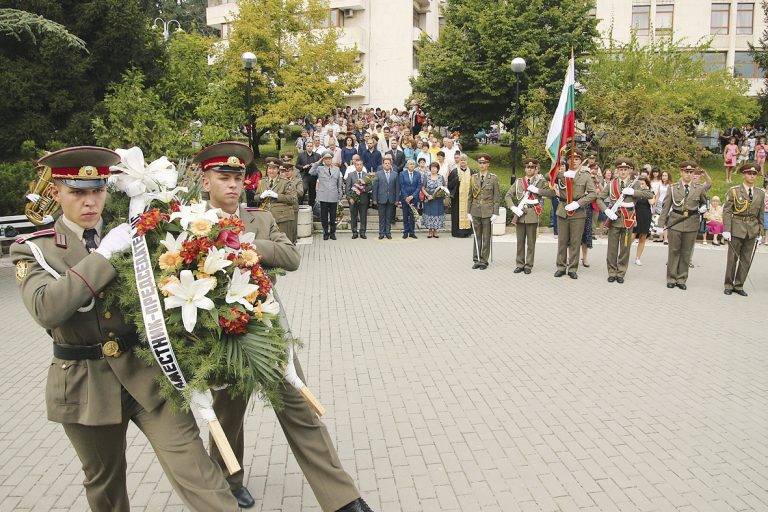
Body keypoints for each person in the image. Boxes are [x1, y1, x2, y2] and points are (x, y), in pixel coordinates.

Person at [10, 146, 240, 512]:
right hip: (85, 381)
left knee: (196, 469)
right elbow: (47, 308)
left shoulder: (135, 233)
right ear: (56, 193)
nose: (90, 202)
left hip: (147, 371)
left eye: (97, 191)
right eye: (77, 192)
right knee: (106, 485)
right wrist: (101, 257)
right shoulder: (35, 250)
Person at [197, 142, 374, 512]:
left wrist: (247, 246)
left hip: (266, 329)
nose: (232, 185)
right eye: (223, 178)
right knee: (227, 412)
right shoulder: (190, 223)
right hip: (222, 335)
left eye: (238, 177)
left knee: (300, 408)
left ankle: (342, 499)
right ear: (205, 181)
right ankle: (229, 481)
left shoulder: (259, 218)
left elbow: (291, 256)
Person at [597, 159, 654, 283]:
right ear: (617, 170)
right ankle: (612, 272)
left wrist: (634, 192)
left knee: (625, 247)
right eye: (620, 169)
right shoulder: (611, 184)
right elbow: (599, 199)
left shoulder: (635, 184)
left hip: (628, 219)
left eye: (625, 169)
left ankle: (621, 273)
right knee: (612, 248)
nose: (623, 172)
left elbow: (650, 194)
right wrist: (606, 211)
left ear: (629, 171)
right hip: (614, 219)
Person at [658, 161, 708, 290]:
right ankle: (671, 278)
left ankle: (681, 279)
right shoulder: (673, 187)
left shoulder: (699, 188)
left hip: (691, 223)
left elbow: (704, 202)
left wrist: (703, 208)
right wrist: (660, 224)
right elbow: (665, 207)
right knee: (673, 251)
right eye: (686, 172)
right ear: (681, 172)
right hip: (676, 222)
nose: (688, 174)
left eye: (691, 172)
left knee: (686, 252)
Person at [722, 162, 766, 296]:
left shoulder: (760, 193)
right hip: (736, 227)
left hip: (752, 229)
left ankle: (739, 285)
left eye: (754, 174)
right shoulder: (734, 191)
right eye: (749, 173)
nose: (752, 176)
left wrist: (761, 231)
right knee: (732, 258)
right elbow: (727, 211)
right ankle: (729, 284)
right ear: (744, 174)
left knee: (746, 259)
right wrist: (727, 229)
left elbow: (761, 214)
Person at [553, 149, 597, 279]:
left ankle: (572, 268)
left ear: (581, 161)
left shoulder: (585, 175)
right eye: (571, 159)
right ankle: (561, 267)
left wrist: (579, 203)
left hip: (578, 211)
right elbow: (548, 177)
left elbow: (593, 193)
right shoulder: (563, 174)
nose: (574, 161)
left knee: (575, 241)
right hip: (563, 210)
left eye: (577, 159)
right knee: (562, 241)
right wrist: (558, 168)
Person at [505, 157, 552, 274]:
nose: (530, 169)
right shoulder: (519, 182)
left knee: (531, 242)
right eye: (528, 167)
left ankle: (528, 265)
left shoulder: (541, 182)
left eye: (532, 167)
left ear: (536, 169)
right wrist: (513, 207)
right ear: (525, 168)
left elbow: (552, 193)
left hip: (532, 214)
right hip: (520, 214)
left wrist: (537, 191)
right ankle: (519, 264)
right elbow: (508, 196)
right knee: (520, 241)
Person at [467, 153, 500, 270]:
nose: (482, 165)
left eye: (484, 163)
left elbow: (496, 197)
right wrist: (468, 212)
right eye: (480, 163)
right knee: (477, 236)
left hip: (487, 211)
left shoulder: (493, 178)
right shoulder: (473, 177)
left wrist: (495, 213)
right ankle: (476, 259)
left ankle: (484, 260)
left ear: (488, 164)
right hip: (475, 210)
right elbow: (470, 196)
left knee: (486, 237)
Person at [255, 158, 298, 240]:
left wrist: (277, 196)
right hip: (266, 217)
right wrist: (261, 196)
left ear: (278, 170)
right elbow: (255, 197)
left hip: (282, 218)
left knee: (284, 242)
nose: (271, 171)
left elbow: (293, 199)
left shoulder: (285, 182)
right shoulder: (262, 182)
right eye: (269, 168)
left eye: (274, 168)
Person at [310, 152, 344, 240]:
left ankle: (332, 233)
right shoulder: (320, 169)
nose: (328, 160)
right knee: (324, 217)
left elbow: (339, 184)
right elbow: (311, 172)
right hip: (323, 196)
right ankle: (325, 232)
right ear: (323, 160)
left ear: (331, 159)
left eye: (329, 158)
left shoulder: (337, 169)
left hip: (333, 195)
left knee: (333, 216)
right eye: (326, 159)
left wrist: (340, 195)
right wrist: (319, 161)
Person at [372, 155, 399, 239]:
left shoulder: (395, 174)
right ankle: (381, 233)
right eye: (385, 163)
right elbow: (375, 187)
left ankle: (388, 233)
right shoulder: (378, 174)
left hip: (391, 199)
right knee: (381, 217)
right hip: (381, 199)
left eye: (388, 163)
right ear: (383, 165)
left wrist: (397, 199)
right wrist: (374, 199)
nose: (387, 164)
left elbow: (397, 188)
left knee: (389, 217)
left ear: (391, 164)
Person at [447, 154, 474, 238]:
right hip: (457, 198)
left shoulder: (471, 172)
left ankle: (467, 232)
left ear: (467, 162)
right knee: (457, 215)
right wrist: (456, 180)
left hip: (468, 198)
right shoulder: (455, 171)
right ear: (459, 161)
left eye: (464, 160)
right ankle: (457, 232)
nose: (463, 162)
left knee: (468, 214)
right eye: (461, 160)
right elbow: (449, 185)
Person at [345, 157, 371, 239]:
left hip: (363, 199)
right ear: (355, 166)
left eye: (360, 165)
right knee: (354, 216)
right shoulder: (350, 175)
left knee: (363, 217)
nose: (359, 166)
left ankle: (362, 232)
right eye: (357, 165)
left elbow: (370, 187)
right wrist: (350, 198)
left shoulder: (366, 175)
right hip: (353, 200)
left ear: (362, 166)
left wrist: (364, 189)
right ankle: (354, 232)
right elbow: (347, 188)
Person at [281, 155, 304, 242]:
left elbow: (301, 192)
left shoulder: (297, 180)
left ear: (292, 171)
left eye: (289, 171)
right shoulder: (281, 181)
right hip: (283, 207)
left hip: (293, 207)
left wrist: (291, 192)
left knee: (293, 227)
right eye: (285, 171)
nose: (287, 173)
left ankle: (293, 243)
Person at [633, 175, 655, 265]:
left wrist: (646, 192)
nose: (641, 185)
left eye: (643, 183)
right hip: (635, 214)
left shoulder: (650, 192)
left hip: (646, 214)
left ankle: (638, 258)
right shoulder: (635, 192)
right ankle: (623, 255)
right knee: (632, 235)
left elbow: (652, 202)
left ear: (646, 183)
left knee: (643, 237)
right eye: (639, 183)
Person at [421, 162, 447, 238]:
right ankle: (429, 230)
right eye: (432, 167)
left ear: (437, 169)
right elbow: (422, 187)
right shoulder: (426, 176)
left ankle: (435, 230)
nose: (433, 169)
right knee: (429, 214)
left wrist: (439, 194)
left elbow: (444, 187)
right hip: (429, 199)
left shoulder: (441, 177)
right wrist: (428, 195)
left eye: (435, 167)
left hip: (438, 200)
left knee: (437, 214)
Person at [398, 159, 422, 238]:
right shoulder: (402, 174)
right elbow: (401, 186)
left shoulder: (418, 174)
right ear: (407, 165)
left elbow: (419, 187)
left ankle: (412, 232)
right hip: (405, 198)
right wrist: (406, 197)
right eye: (410, 164)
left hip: (414, 198)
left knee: (413, 215)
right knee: (405, 215)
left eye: (413, 164)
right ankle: (406, 232)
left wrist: (412, 196)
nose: (412, 165)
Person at [296, 140, 321, 206]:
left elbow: (320, 165)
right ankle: (300, 205)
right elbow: (297, 165)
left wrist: (314, 165)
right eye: (308, 146)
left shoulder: (317, 155)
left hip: (314, 176)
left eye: (311, 146)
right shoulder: (301, 155)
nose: (309, 147)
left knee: (312, 193)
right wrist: (303, 167)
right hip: (305, 175)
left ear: (313, 147)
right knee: (303, 189)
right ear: (306, 147)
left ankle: (311, 207)